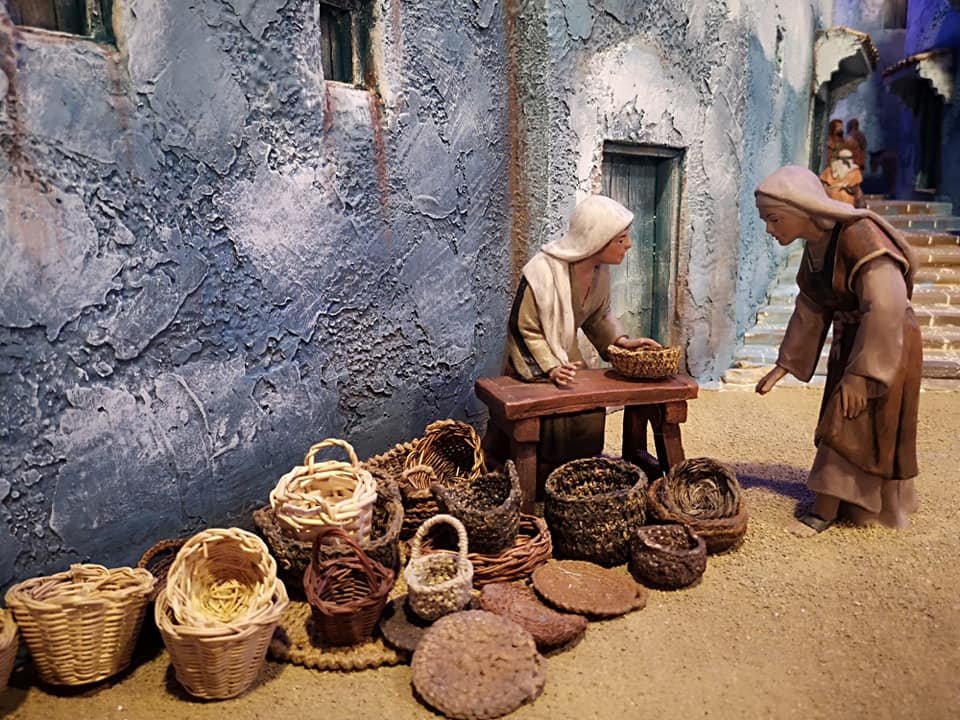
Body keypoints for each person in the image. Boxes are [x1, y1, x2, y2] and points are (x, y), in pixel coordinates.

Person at [754, 166, 921, 536]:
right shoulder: (816, 248)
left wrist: (863, 375)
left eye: (774, 218)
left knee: (849, 418)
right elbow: (810, 308)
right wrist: (784, 366)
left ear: (803, 209)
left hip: (885, 341)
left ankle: (826, 509)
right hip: (853, 338)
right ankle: (855, 504)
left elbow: (887, 304)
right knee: (854, 420)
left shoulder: (860, 236)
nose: (770, 228)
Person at [504, 194, 660, 464]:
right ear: (597, 240)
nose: (629, 245)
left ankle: (579, 470)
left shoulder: (599, 271)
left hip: (566, 353)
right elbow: (524, 328)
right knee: (559, 410)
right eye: (621, 239)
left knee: (590, 406)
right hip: (533, 359)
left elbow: (599, 316)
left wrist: (621, 342)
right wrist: (552, 367)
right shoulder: (541, 272)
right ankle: (544, 474)